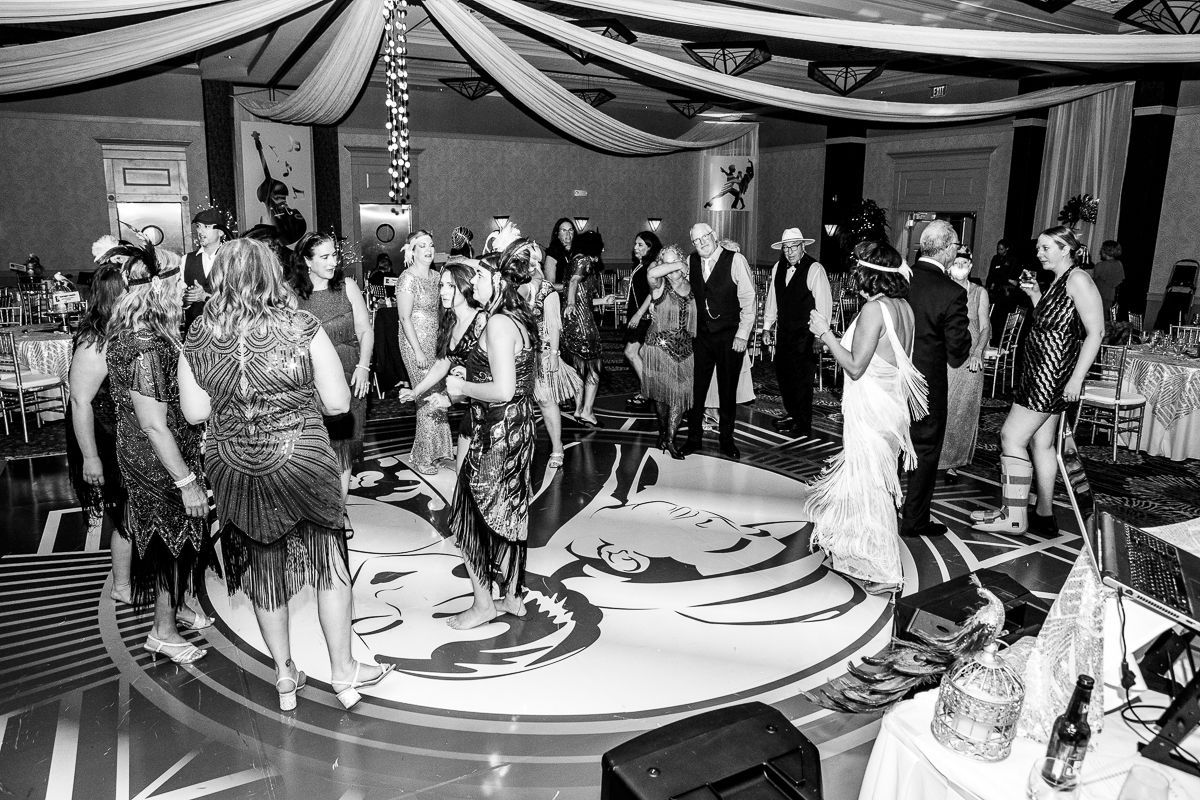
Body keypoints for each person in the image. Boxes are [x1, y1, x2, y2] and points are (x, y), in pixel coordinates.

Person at [179, 239, 394, 711]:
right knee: (329, 565)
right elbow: (339, 404)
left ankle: (283, 674)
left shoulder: (198, 333)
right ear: (271, 274)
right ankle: (343, 674)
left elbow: (195, 413)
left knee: (264, 568)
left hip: (235, 461)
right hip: (302, 456)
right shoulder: (300, 325)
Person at [106, 247, 212, 664]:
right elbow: (153, 424)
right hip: (156, 456)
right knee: (171, 538)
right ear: (157, 287)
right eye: (178, 280)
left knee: (185, 534)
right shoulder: (146, 344)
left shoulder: (144, 333)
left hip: (160, 448)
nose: (185, 287)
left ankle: (179, 606)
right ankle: (162, 631)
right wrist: (186, 480)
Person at [805, 241, 928, 596]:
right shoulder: (904, 306)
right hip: (890, 405)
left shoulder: (875, 310)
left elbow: (856, 366)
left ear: (869, 274)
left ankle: (885, 568)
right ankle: (857, 554)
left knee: (872, 485)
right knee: (869, 481)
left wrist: (825, 332)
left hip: (872, 407)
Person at [972, 226, 1104, 535]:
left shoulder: (1079, 279)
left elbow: (1095, 333)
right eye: (1039, 247)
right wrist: (1035, 296)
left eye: (1046, 248)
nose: (1039, 252)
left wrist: (1075, 380)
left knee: (1010, 437)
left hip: (1051, 375)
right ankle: (1044, 515)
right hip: (1040, 372)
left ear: (1065, 249)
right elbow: (1053, 324)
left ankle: (1013, 516)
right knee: (1042, 444)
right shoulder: (1059, 280)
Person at [443, 238, 540, 630]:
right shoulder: (519, 317)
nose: (475, 282)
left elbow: (501, 390)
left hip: (496, 433)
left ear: (499, 280)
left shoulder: (499, 323)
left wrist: (462, 388)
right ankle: (513, 598)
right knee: (511, 513)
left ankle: (483, 604)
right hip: (517, 428)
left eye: (481, 275)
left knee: (467, 512)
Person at [286, 233, 374, 500]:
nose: (333, 261)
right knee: (315, 445)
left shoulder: (347, 286)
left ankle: (339, 509)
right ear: (307, 261)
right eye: (325, 257)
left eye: (334, 254)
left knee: (343, 446)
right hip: (311, 381)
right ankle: (318, 505)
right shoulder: (291, 294)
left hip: (350, 374)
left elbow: (364, 330)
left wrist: (364, 366)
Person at [900, 220, 971, 539]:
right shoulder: (952, 292)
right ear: (945, 250)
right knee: (925, 450)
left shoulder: (898, 280)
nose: (956, 253)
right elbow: (958, 350)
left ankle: (878, 507)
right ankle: (914, 519)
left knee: (887, 447)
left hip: (889, 379)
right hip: (927, 386)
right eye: (955, 248)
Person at [68, 263, 132, 603]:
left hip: (127, 432)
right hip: (107, 436)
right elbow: (79, 401)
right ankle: (121, 585)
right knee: (125, 512)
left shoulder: (124, 329)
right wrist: (91, 458)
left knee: (134, 509)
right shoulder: (96, 339)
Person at [400, 260, 493, 471]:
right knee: (463, 474)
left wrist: (453, 393)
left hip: (493, 410)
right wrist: (417, 391)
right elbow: (443, 364)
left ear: (466, 286)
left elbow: (494, 373)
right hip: (474, 407)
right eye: (441, 285)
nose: (443, 291)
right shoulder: (450, 321)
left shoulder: (483, 322)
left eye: (450, 286)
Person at [682, 223, 756, 460]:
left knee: (727, 391)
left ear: (714, 236)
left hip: (729, 337)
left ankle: (727, 439)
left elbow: (748, 299)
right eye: (695, 240)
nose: (701, 243)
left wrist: (742, 334)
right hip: (701, 337)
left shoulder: (735, 260)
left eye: (704, 237)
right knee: (697, 390)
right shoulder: (691, 261)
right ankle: (693, 438)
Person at [762, 228, 832, 437]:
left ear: (803, 247)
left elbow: (824, 304)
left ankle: (803, 423)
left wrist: (821, 335)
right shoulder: (778, 267)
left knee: (802, 380)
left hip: (806, 334)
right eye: (786, 248)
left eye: (794, 247)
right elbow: (772, 298)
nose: (790, 252)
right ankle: (792, 414)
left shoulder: (814, 269)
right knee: (785, 377)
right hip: (784, 332)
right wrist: (767, 326)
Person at [395, 230, 454, 474]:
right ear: (412, 251)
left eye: (431, 244)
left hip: (436, 340)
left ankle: (437, 451)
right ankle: (422, 457)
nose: (429, 249)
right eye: (422, 245)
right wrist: (418, 350)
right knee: (426, 395)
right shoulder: (407, 278)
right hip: (414, 341)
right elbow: (404, 317)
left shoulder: (436, 275)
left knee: (437, 390)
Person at [939, 246, 991, 479]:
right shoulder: (942, 289)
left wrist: (978, 352)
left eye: (965, 264)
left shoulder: (979, 292)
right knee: (940, 405)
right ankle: (932, 455)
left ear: (970, 266)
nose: (960, 268)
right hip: (943, 354)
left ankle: (953, 459)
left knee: (962, 407)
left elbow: (985, 326)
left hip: (970, 356)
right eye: (956, 264)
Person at [641, 244, 695, 459]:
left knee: (680, 397)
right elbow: (652, 272)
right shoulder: (659, 285)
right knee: (663, 397)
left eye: (675, 262)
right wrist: (675, 264)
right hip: (660, 348)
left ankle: (669, 438)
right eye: (667, 263)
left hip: (686, 350)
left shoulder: (693, 285)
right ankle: (665, 435)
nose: (671, 269)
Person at [528, 259, 582, 469]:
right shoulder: (512, 286)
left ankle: (557, 448)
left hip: (542, 351)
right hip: (518, 353)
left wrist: (553, 353)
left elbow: (553, 324)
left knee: (546, 401)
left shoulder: (546, 288)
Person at [562, 230, 605, 427]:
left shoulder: (574, 259)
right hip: (583, 322)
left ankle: (578, 409)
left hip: (573, 321)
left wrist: (603, 300)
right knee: (595, 366)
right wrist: (571, 304)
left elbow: (582, 296)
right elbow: (573, 282)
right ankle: (587, 410)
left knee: (579, 366)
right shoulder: (584, 260)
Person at [623, 231, 661, 412]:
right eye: (635, 244)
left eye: (640, 245)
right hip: (637, 313)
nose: (635, 248)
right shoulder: (640, 265)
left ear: (650, 247)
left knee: (631, 352)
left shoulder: (652, 265)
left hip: (643, 316)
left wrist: (638, 314)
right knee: (641, 354)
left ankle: (649, 391)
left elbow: (652, 293)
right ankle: (649, 389)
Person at [182, 208, 230, 333]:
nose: (200, 231)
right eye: (198, 226)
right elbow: (177, 297)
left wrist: (205, 296)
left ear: (220, 232)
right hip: (194, 333)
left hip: (224, 332)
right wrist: (186, 299)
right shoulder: (186, 259)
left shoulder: (232, 260)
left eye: (207, 226)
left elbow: (239, 299)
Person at [1093, 240, 1125, 321]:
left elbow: (1093, 282)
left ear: (1105, 251)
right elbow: (1120, 281)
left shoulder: (1100, 265)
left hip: (1099, 296)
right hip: (1112, 297)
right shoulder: (1119, 264)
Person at [542, 217, 575, 286]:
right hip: (559, 295)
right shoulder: (553, 253)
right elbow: (550, 284)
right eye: (564, 230)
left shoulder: (578, 251)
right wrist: (571, 287)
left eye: (570, 230)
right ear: (558, 234)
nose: (568, 234)